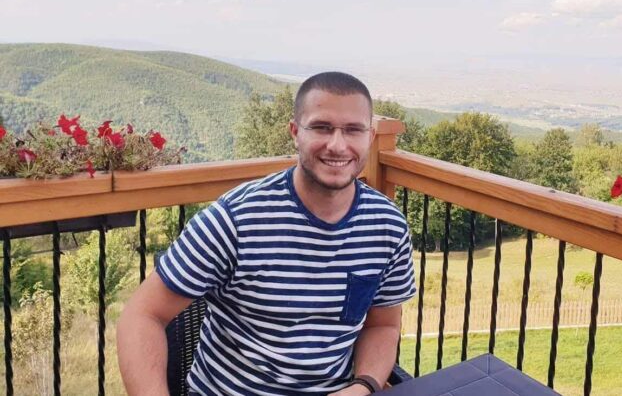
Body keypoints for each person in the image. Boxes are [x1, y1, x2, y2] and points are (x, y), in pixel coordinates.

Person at [117, 71, 416, 396]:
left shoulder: (387, 226)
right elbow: (142, 315)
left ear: (370, 137)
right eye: (321, 127)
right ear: (295, 132)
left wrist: (363, 385)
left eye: (353, 130)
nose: (337, 145)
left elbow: (383, 325)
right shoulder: (236, 220)